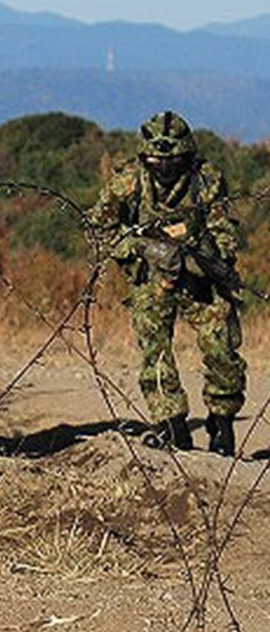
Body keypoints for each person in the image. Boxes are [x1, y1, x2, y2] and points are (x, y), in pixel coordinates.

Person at [88, 110, 247, 456]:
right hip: (152, 279)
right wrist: (142, 247)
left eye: (173, 160)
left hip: (200, 280)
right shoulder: (128, 180)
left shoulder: (206, 179)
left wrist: (213, 258)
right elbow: (99, 230)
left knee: (222, 349)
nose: (164, 168)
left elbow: (223, 228)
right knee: (155, 354)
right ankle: (172, 426)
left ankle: (222, 426)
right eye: (156, 160)